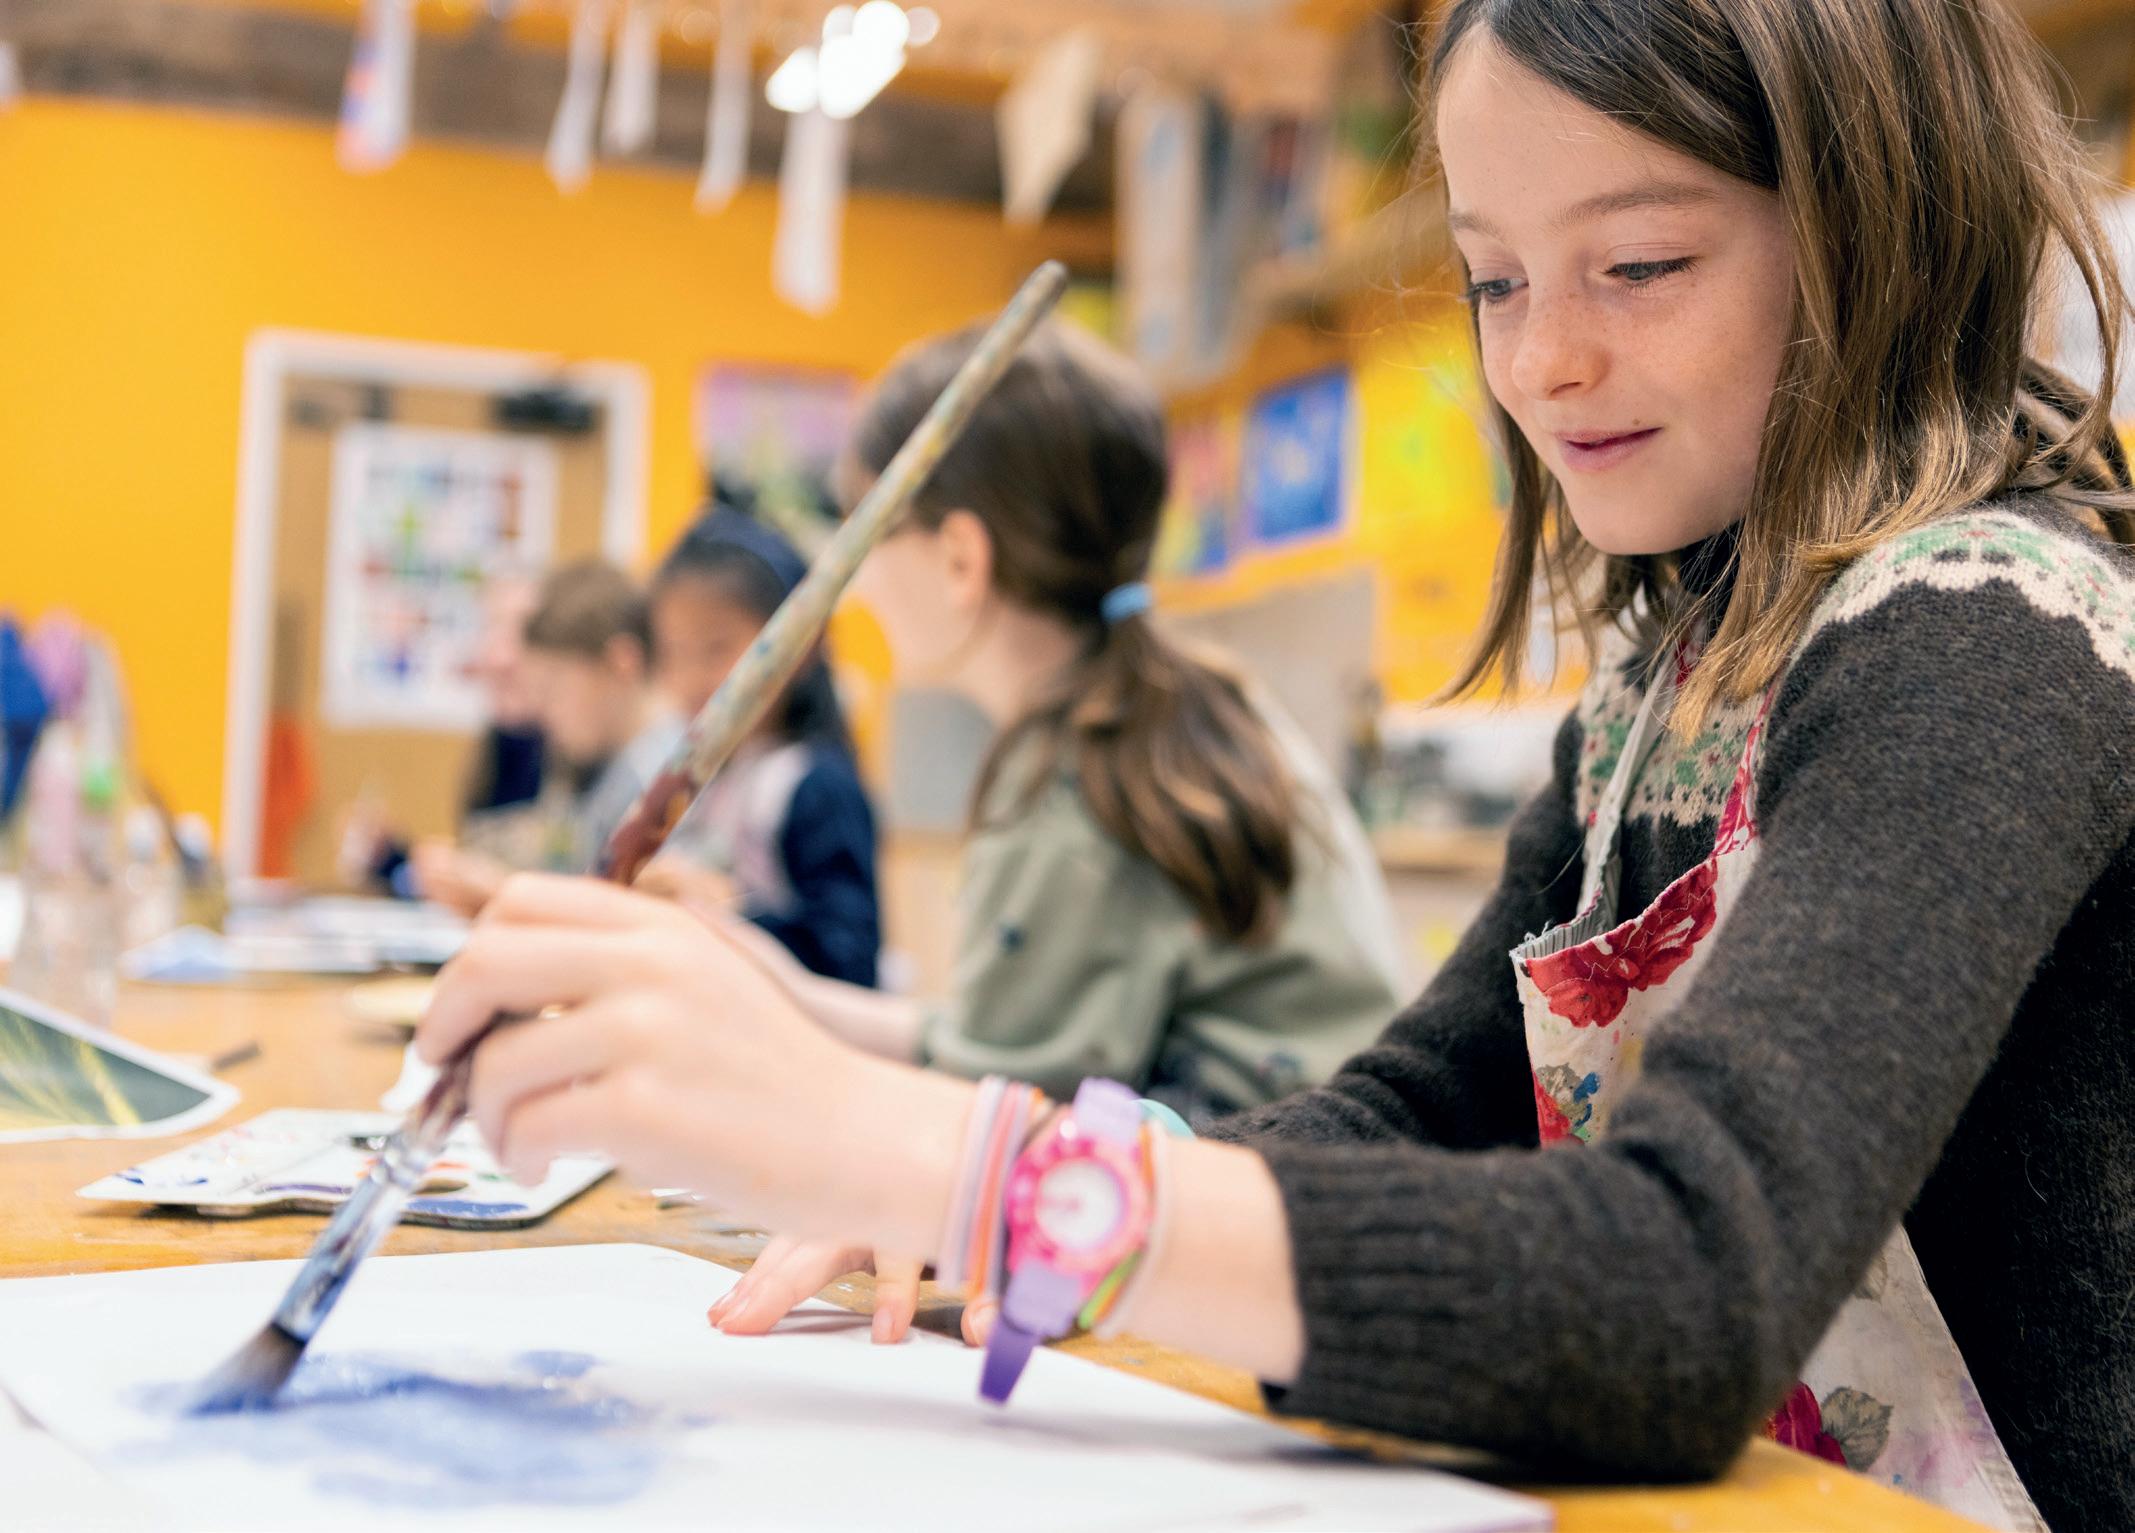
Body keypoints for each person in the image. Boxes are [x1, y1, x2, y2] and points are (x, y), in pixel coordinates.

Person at [420, 2, 2135, 1526]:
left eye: (1636, 265)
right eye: (1492, 278)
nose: (1538, 358)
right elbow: (1414, 1113)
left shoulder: (1987, 636)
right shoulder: (1659, 681)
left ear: (1876, 223)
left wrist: (986, 1178)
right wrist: (1033, 1180)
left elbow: (1687, 1284)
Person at [683, 321, 1405, 1120]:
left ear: (960, 560)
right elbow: (991, 1048)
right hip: (1302, 1153)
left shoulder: (1075, 780)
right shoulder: (1170, 706)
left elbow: (995, 1106)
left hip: (1254, 1172)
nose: (858, 588)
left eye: (867, 536)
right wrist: (774, 985)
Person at [637, 500, 883, 988]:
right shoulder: (694, 776)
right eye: (673, 652)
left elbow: (849, 963)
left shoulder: (814, 786)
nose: (691, 678)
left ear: (801, 644)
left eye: (717, 649)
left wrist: (726, 913)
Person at [415, 559, 680, 913]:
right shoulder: (612, 769)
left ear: (621, 664)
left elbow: (625, 912)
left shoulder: (664, 772)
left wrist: (504, 892)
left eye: (553, 691)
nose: (544, 715)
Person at [338, 572, 545, 898]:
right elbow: (477, 887)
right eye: (491, 629)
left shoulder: (578, 760)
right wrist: (394, 864)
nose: (497, 657)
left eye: (521, 633)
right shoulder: (498, 748)